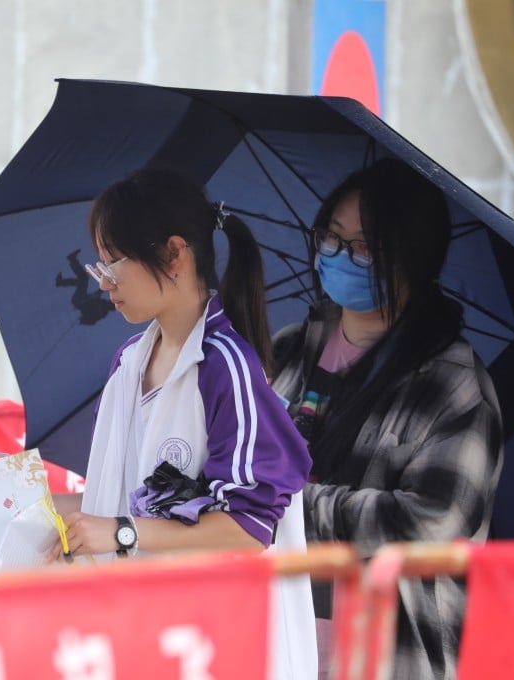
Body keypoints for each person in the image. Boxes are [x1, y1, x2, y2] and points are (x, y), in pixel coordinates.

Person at [50, 168, 316, 679]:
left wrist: (121, 533)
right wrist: (9, 497)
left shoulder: (226, 367)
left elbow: (249, 526)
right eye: (99, 267)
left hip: (229, 647)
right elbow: (116, 503)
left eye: (115, 265)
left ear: (174, 253)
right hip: (155, 638)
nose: (105, 284)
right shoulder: (130, 362)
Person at [270, 158, 503, 679]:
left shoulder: (452, 383)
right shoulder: (286, 349)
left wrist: (288, 508)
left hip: (382, 657)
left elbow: (432, 525)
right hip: (275, 643)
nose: (339, 256)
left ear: (412, 261)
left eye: (365, 247)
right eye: (331, 238)